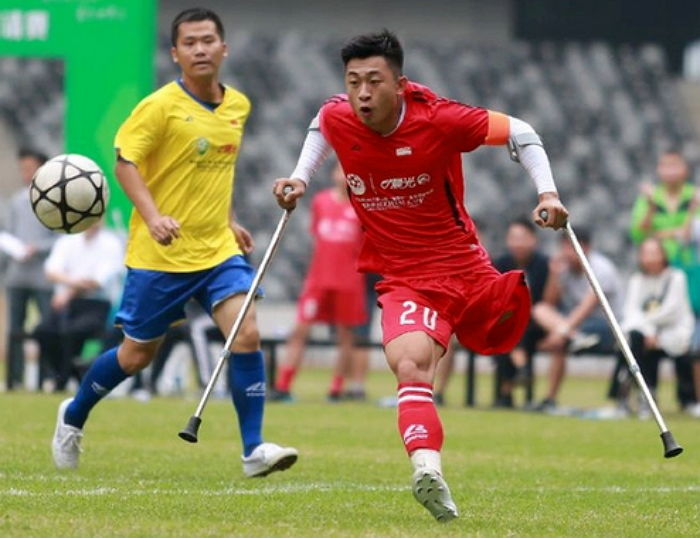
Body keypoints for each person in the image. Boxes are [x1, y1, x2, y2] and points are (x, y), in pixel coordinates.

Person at [273, 30, 568, 522]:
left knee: (507, 343)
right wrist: (300, 177)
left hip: (467, 270)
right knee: (410, 365)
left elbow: (522, 131)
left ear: (400, 83)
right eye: (353, 82)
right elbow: (319, 126)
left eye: (374, 81)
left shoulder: (440, 118)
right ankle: (427, 470)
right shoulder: (338, 115)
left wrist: (548, 194)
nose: (362, 93)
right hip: (403, 277)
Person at [51, 8, 298, 477]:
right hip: (160, 255)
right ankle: (73, 414)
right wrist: (152, 216)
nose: (200, 48)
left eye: (208, 40)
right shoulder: (159, 106)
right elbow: (126, 163)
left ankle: (253, 449)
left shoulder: (238, 106)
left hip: (216, 251)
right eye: (190, 42)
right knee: (136, 354)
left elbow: (212, 173)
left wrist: (230, 220)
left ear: (224, 48)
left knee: (245, 334)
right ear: (175, 54)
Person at [271, 162, 367, 402]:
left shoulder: (362, 207)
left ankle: (336, 388)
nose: (343, 176)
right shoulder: (321, 202)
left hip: (349, 280)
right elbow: (317, 239)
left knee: (345, 335)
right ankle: (283, 386)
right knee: (300, 330)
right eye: (340, 170)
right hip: (319, 279)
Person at [533, 228, 622, 411]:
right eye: (564, 247)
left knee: (560, 340)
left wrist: (560, 333)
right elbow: (550, 302)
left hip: (606, 325)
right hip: (575, 327)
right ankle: (550, 399)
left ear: (586, 248)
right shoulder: (562, 268)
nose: (567, 253)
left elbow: (586, 308)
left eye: (572, 248)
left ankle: (570, 336)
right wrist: (554, 274)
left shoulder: (601, 268)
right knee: (540, 310)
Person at [608, 237, 695, 417]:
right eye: (646, 254)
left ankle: (688, 401)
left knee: (641, 340)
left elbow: (671, 311)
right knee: (633, 341)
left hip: (674, 334)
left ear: (663, 255)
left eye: (654, 253)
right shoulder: (637, 280)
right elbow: (630, 312)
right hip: (645, 336)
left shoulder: (676, 278)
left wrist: (651, 331)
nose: (650, 258)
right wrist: (649, 332)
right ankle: (642, 396)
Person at [34, 222, 124, 391]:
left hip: (95, 305)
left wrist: (67, 292)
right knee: (42, 330)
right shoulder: (67, 241)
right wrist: (72, 286)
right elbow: (51, 271)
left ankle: (64, 379)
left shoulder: (111, 244)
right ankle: (66, 373)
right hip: (63, 304)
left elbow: (96, 281)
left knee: (71, 332)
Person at [2, 149, 55, 390]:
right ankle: (14, 379)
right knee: (15, 329)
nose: (26, 173)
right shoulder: (16, 201)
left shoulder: (53, 200)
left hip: (43, 275)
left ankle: (46, 378)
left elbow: (59, 238)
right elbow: (8, 233)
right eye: (23, 168)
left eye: (30, 167)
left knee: (46, 328)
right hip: (17, 274)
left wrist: (39, 248)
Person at [492, 217, 551, 408]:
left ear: (533, 240)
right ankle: (521, 366)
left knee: (514, 330)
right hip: (506, 319)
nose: (518, 243)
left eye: (522, 237)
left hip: (535, 324)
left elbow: (547, 302)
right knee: (507, 329)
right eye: (513, 238)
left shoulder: (543, 264)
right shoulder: (501, 263)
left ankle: (506, 393)